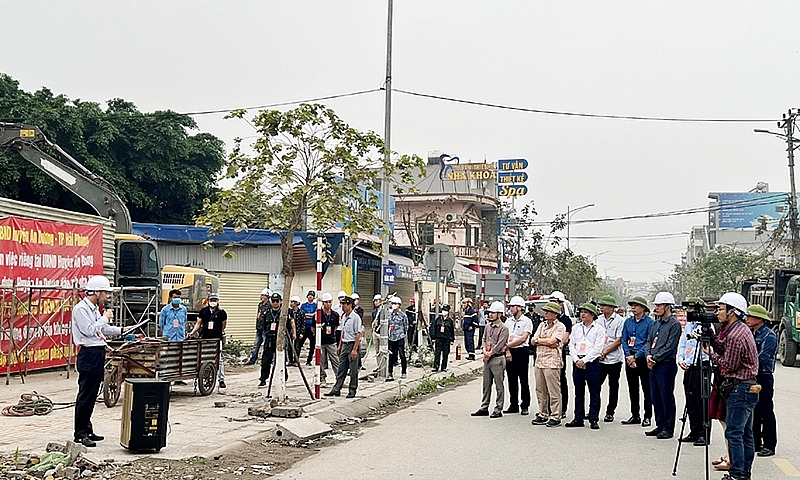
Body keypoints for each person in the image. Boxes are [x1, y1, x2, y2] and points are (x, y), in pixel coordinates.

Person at [707, 293, 760, 480]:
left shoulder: (737, 334)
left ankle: (736, 474)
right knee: (745, 434)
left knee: (734, 433)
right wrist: (712, 338)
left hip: (740, 389)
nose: (717, 312)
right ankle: (744, 474)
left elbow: (728, 364)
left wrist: (710, 354)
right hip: (747, 388)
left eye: (721, 309)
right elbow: (724, 347)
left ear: (732, 312)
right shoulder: (738, 329)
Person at [72, 275, 126, 447]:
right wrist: (105, 317)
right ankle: (80, 433)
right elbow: (88, 330)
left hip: (97, 352)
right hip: (88, 354)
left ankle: (87, 429)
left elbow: (103, 329)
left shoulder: (94, 308)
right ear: (96, 292)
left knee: (93, 394)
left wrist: (122, 330)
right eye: (105, 293)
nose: (107, 296)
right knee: (86, 394)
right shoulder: (81, 309)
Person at [644, 291, 681, 439]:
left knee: (666, 396)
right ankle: (659, 425)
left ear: (668, 307)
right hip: (653, 364)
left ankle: (668, 427)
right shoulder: (656, 323)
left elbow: (670, 347)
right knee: (655, 396)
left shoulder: (674, 325)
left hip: (665, 364)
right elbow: (649, 341)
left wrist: (655, 358)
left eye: (659, 305)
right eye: (656, 305)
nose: (657, 308)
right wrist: (648, 355)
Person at [677, 297, 712, 446]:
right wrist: (681, 359)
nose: (689, 312)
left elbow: (710, 344)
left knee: (701, 401)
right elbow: (683, 343)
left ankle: (704, 434)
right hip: (689, 366)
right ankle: (694, 430)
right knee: (690, 399)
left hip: (702, 365)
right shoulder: (689, 325)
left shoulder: (707, 325)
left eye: (691, 309)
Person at [565, 303, 605, 430]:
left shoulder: (599, 329)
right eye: (581, 311)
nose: (582, 314)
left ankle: (593, 418)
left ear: (592, 315)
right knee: (578, 391)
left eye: (586, 312)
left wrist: (585, 361)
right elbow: (572, 345)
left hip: (591, 362)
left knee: (594, 391)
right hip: (578, 361)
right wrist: (577, 359)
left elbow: (598, 348)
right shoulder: (576, 327)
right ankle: (578, 418)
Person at [745, 304, 777, 458]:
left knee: (765, 410)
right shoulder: (752, 333)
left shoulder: (769, 336)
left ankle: (770, 444)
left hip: (763, 376)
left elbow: (762, 359)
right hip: (753, 375)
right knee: (754, 410)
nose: (748, 319)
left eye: (751, 316)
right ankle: (756, 442)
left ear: (760, 319)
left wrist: (745, 366)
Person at [530, 301, 567, 427]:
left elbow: (554, 340)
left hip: (552, 362)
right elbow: (533, 340)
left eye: (548, 311)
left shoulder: (560, 326)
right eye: (545, 311)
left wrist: (540, 341)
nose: (545, 313)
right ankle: (542, 413)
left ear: (555, 314)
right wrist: (544, 341)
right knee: (540, 389)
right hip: (539, 361)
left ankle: (556, 415)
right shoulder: (541, 325)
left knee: (553, 390)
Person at [620, 296, 655, 427]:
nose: (633, 308)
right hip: (630, 357)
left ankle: (647, 416)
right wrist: (628, 356)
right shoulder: (628, 322)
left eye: (636, 305)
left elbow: (649, 342)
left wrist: (636, 356)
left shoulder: (650, 323)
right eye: (632, 305)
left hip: (642, 357)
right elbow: (624, 339)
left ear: (643, 308)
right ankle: (635, 415)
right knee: (632, 388)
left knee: (647, 388)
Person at [471, 301, 509, 418]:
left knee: (499, 385)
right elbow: (484, 339)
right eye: (490, 312)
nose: (490, 315)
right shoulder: (488, 326)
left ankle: (498, 408)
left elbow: (500, 344)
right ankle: (484, 406)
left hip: (497, 358)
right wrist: (484, 351)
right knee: (486, 384)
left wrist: (490, 353)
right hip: (487, 358)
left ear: (499, 314)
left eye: (493, 313)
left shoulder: (504, 328)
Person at [324, 295, 363, 398]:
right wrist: (339, 346)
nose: (342, 306)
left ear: (350, 305)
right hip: (344, 344)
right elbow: (342, 332)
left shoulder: (355, 318)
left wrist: (355, 349)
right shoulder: (344, 317)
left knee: (353, 370)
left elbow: (358, 334)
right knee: (341, 369)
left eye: (344, 304)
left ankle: (352, 390)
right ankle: (337, 389)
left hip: (352, 345)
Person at [190, 292, 228, 388]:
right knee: (203, 358)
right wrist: (193, 332)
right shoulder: (203, 311)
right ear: (208, 301)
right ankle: (206, 377)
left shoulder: (222, 312)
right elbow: (198, 323)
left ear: (217, 301)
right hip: (205, 338)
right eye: (211, 300)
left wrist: (218, 332)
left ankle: (221, 379)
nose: (213, 302)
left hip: (216, 338)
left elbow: (224, 325)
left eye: (215, 300)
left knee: (219, 359)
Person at [596, 295, 625, 423]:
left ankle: (610, 412)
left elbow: (618, 340)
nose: (601, 307)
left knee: (613, 386)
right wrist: (598, 352)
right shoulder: (598, 320)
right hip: (599, 359)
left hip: (614, 359)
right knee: (595, 385)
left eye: (604, 305)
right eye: (601, 305)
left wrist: (605, 351)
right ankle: (593, 410)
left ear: (612, 307)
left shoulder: (619, 321)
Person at [504, 295, 533, 415]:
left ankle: (525, 404)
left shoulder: (527, 321)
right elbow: (504, 337)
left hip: (521, 351)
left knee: (523, 379)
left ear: (520, 307)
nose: (511, 309)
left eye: (513, 306)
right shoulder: (508, 321)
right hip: (510, 351)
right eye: (510, 306)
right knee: (511, 379)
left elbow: (523, 338)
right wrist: (507, 350)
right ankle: (513, 404)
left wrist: (508, 346)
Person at [548, 291, 572, 419]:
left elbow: (564, 339)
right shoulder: (546, 319)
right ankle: (548, 409)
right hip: (545, 355)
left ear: (561, 304)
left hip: (558, 353)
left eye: (555, 302)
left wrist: (551, 341)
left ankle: (562, 408)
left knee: (560, 380)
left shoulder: (566, 320)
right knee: (547, 382)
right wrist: (548, 341)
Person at [254, 292, 281, 388]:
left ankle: (283, 377)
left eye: (277, 301)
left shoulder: (283, 313)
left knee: (280, 360)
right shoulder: (267, 313)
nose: (275, 303)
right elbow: (264, 325)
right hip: (269, 339)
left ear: (280, 302)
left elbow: (289, 325)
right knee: (266, 360)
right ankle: (263, 379)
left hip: (279, 339)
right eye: (273, 301)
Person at [319, 292, 340, 385]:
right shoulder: (318, 314)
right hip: (321, 341)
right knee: (320, 361)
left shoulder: (335, 314)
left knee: (335, 360)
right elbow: (313, 328)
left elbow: (335, 327)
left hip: (331, 341)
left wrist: (331, 333)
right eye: (326, 302)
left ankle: (339, 378)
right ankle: (322, 378)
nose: (328, 304)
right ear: (323, 303)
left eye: (329, 302)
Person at [386, 296, 408, 381]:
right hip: (391, 338)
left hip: (400, 337)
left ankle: (404, 372)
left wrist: (402, 334)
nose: (394, 305)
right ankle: (390, 372)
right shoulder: (389, 314)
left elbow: (406, 326)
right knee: (391, 355)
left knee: (402, 355)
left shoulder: (403, 315)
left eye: (395, 304)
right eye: (393, 303)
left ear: (399, 305)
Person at [247, 288, 271, 365]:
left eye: (263, 295)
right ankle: (252, 360)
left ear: (267, 296)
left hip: (265, 328)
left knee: (266, 345)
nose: (261, 296)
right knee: (256, 344)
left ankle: (267, 360)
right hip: (259, 328)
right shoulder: (260, 305)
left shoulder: (269, 306)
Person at [431, 304, 455, 372]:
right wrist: (433, 338)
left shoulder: (450, 321)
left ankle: (444, 367)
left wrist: (452, 339)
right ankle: (436, 366)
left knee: (445, 353)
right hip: (439, 338)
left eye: (446, 310)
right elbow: (434, 328)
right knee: (437, 353)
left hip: (446, 339)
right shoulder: (438, 319)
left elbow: (452, 331)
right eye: (443, 310)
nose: (444, 312)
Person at [300, 291, 318, 365]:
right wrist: (311, 315)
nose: (310, 297)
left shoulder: (316, 305)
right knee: (300, 344)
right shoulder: (303, 305)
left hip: (312, 328)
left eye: (312, 295)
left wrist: (309, 315)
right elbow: (302, 314)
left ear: (314, 297)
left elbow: (315, 315)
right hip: (304, 327)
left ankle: (309, 361)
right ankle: (296, 359)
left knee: (312, 345)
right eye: (309, 295)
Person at [288, 296, 304, 365]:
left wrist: (301, 333)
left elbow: (303, 323)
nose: (291, 304)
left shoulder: (301, 312)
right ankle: (290, 360)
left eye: (293, 302)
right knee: (289, 347)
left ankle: (296, 360)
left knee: (297, 347)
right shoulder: (289, 312)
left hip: (298, 331)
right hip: (289, 332)